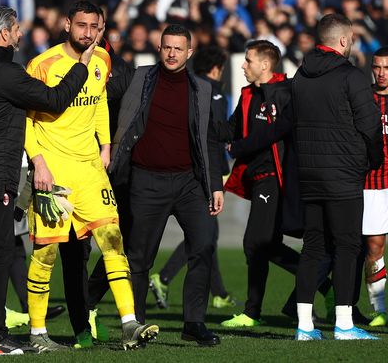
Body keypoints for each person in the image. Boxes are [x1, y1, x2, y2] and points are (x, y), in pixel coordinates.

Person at [0, 5, 98, 356]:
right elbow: (55, 100)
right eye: (15, 29)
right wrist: (82, 64)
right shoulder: (5, 74)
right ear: (3, 35)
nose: (20, 34)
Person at [24, 0, 158, 352]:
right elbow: (26, 119)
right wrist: (38, 163)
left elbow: (98, 102)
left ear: (101, 29)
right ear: (67, 24)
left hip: (90, 169)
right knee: (47, 252)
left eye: (94, 27)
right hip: (53, 171)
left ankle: (129, 323)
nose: (87, 32)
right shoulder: (43, 64)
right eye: (81, 25)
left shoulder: (102, 59)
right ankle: (37, 333)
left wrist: (106, 145)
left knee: (113, 241)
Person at [109, 24, 224, 346]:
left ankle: (194, 322)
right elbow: (98, 94)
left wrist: (215, 184)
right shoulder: (137, 78)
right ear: (159, 49)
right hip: (146, 181)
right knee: (140, 258)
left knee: (203, 245)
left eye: (178, 48)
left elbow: (210, 140)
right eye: (166, 47)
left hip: (190, 182)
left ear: (189, 52)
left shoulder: (202, 88)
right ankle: (136, 327)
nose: (172, 53)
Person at [216, 40, 322, 328]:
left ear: (265, 64)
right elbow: (230, 129)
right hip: (258, 180)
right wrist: (204, 114)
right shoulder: (248, 94)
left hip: (276, 179)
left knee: (255, 243)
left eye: (248, 60)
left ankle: (252, 312)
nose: (243, 64)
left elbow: (274, 135)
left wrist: (237, 147)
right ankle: (320, 281)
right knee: (266, 245)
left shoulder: (286, 93)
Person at [292, 13, 382, 340]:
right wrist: (372, 158)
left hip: (310, 174)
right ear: (344, 40)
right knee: (347, 246)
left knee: (313, 246)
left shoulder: (301, 76)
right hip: (343, 174)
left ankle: (304, 326)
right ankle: (344, 324)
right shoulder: (351, 76)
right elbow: (370, 125)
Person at [148, 46, 234, 310]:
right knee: (204, 233)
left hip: (185, 167)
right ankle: (163, 277)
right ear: (217, 67)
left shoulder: (190, 85)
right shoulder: (214, 92)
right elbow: (216, 134)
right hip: (208, 172)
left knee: (209, 234)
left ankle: (218, 292)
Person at [360, 46, 388, 327]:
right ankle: (380, 310)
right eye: (377, 67)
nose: (381, 73)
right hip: (374, 184)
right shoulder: (363, 99)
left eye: (387, 68)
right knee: (375, 248)